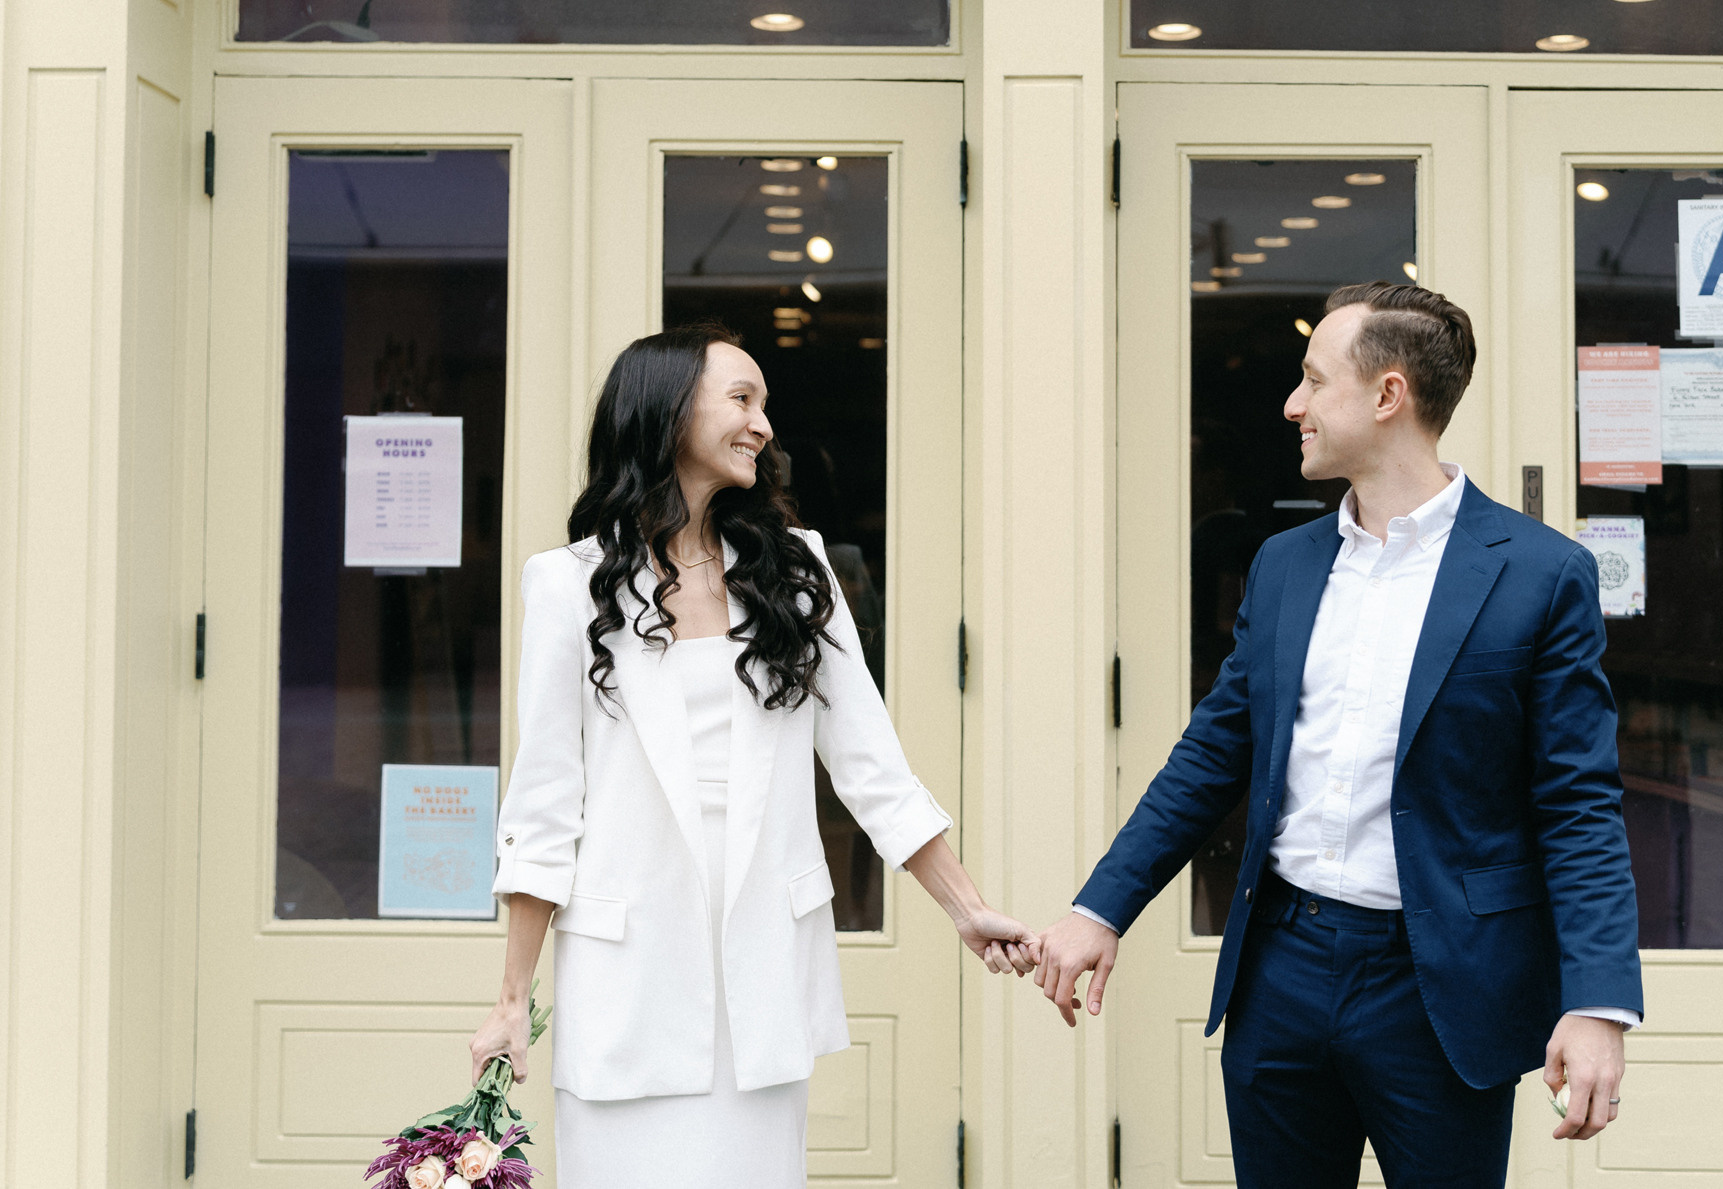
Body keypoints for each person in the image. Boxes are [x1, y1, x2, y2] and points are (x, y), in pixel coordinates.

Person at [1034, 283, 1644, 1187]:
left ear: (1388, 395)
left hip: (1441, 988)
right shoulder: (1285, 565)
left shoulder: (1542, 574)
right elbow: (1212, 753)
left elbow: (1578, 805)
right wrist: (1100, 907)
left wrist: (1597, 1002)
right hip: (1280, 968)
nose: (1293, 404)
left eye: (1314, 381)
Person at [470, 325, 1037, 1189]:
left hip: (761, 982)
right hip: (627, 986)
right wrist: (513, 1002)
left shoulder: (796, 570)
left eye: (762, 404)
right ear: (667, 412)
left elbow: (871, 767)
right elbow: (545, 806)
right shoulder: (566, 585)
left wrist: (966, 908)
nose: (763, 425)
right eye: (742, 399)